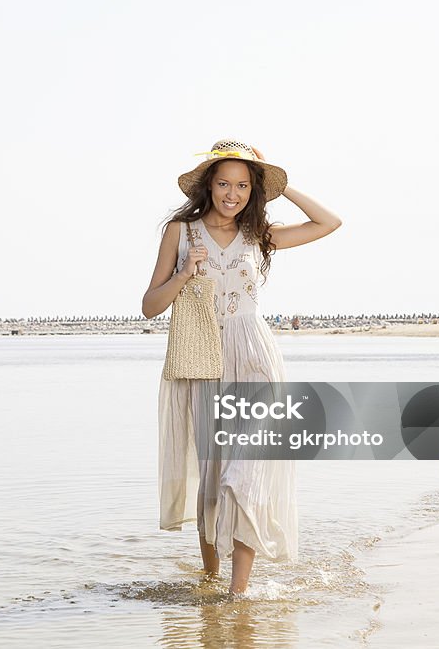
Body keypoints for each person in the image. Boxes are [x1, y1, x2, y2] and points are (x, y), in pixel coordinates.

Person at [141, 139, 342, 594]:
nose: (233, 194)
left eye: (244, 185)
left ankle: (237, 594)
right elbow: (150, 306)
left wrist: (277, 182)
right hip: (204, 359)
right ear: (208, 186)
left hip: (256, 356)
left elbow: (329, 222)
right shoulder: (181, 232)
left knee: (247, 470)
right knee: (213, 477)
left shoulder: (259, 234)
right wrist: (183, 274)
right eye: (225, 183)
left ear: (254, 190)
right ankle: (210, 580)